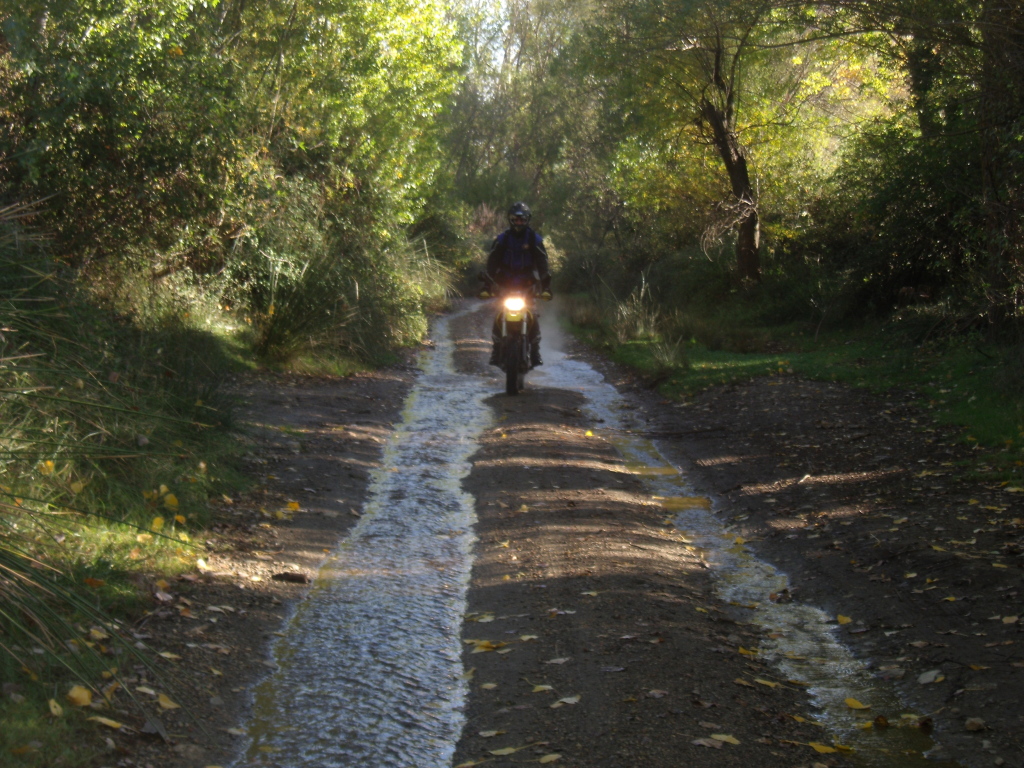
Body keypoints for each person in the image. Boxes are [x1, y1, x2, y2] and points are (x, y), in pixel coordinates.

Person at [484, 202, 552, 367]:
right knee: (500, 314)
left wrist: (546, 287)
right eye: (516, 219)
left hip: (527, 284)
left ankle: (535, 351)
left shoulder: (534, 239)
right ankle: (496, 348)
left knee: (532, 315)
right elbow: (491, 263)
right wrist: (486, 286)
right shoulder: (502, 239)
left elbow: (543, 264)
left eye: (522, 220)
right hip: (505, 284)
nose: (519, 223)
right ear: (510, 220)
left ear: (527, 220)